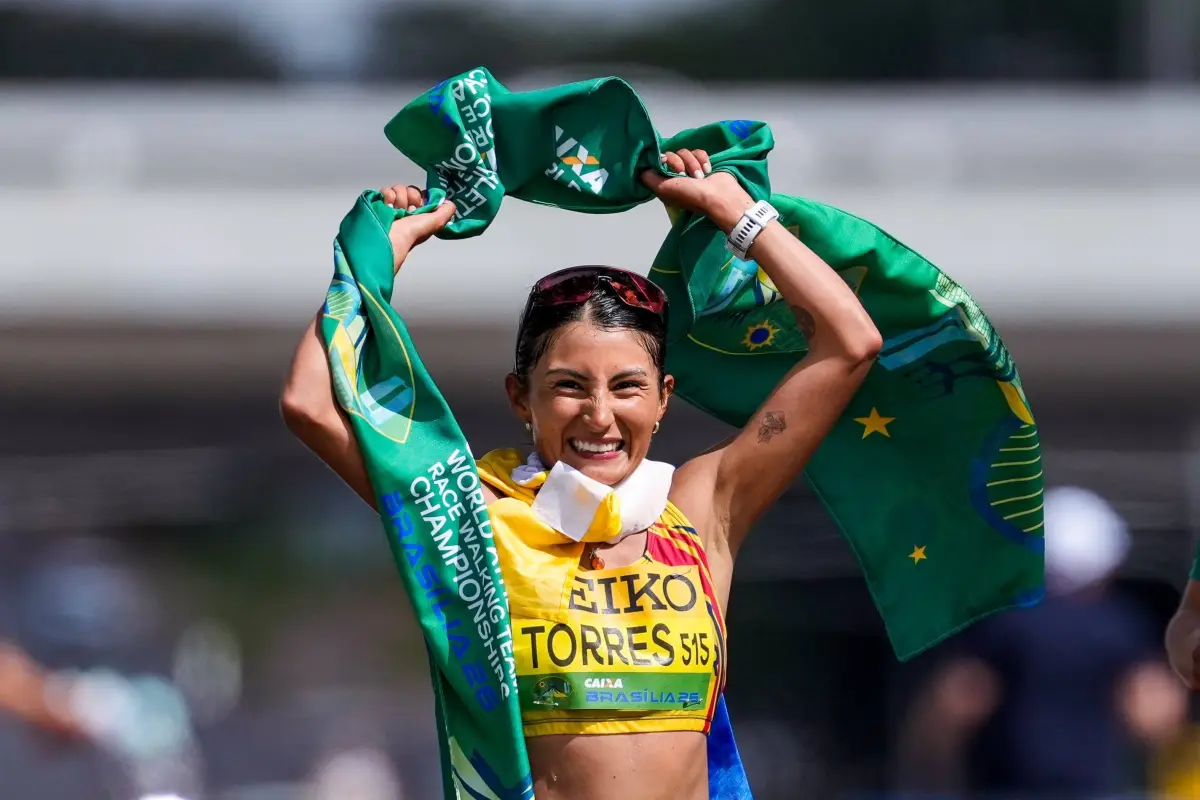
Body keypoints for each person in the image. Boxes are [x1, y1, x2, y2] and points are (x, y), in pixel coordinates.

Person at [280, 149, 881, 800]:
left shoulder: (702, 509)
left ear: (663, 398)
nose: (600, 415)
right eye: (569, 386)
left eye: (627, 387)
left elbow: (851, 343)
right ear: (520, 398)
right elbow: (310, 403)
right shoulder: (472, 515)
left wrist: (735, 211)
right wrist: (375, 262)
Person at [896, 486, 1188, 799]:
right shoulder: (1120, 626)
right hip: (1093, 790)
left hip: (1009, 788)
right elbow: (1153, 714)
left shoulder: (1004, 622)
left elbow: (957, 702)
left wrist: (928, 777)